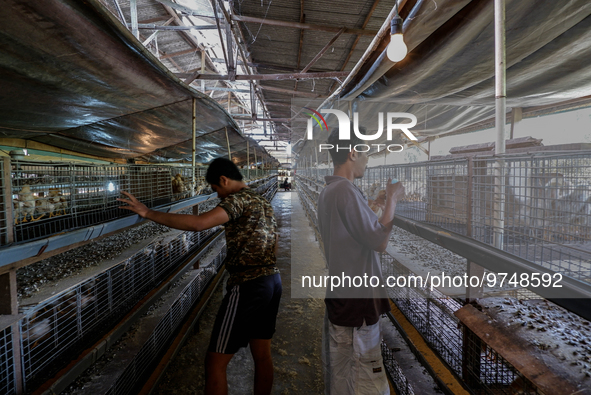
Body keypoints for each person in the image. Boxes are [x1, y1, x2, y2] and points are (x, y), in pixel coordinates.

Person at [117, 157, 282, 395]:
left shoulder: (238, 200)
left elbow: (198, 224)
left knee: (215, 361)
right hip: (272, 280)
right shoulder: (261, 201)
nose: (217, 196)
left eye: (216, 189)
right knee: (263, 355)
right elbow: (275, 242)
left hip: (248, 285)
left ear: (224, 180)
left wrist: (148, 212)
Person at [317, 128, 405, 394]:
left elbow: (356, 224)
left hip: (343, 297)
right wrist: (392, 199)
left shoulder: (331, 189)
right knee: (366, 379)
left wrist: (375, 205)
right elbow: (379, 242)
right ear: (353, 153)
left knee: (343, 376)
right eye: (365, 152)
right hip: (358, 304)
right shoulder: (344, 190)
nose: (368, 158)